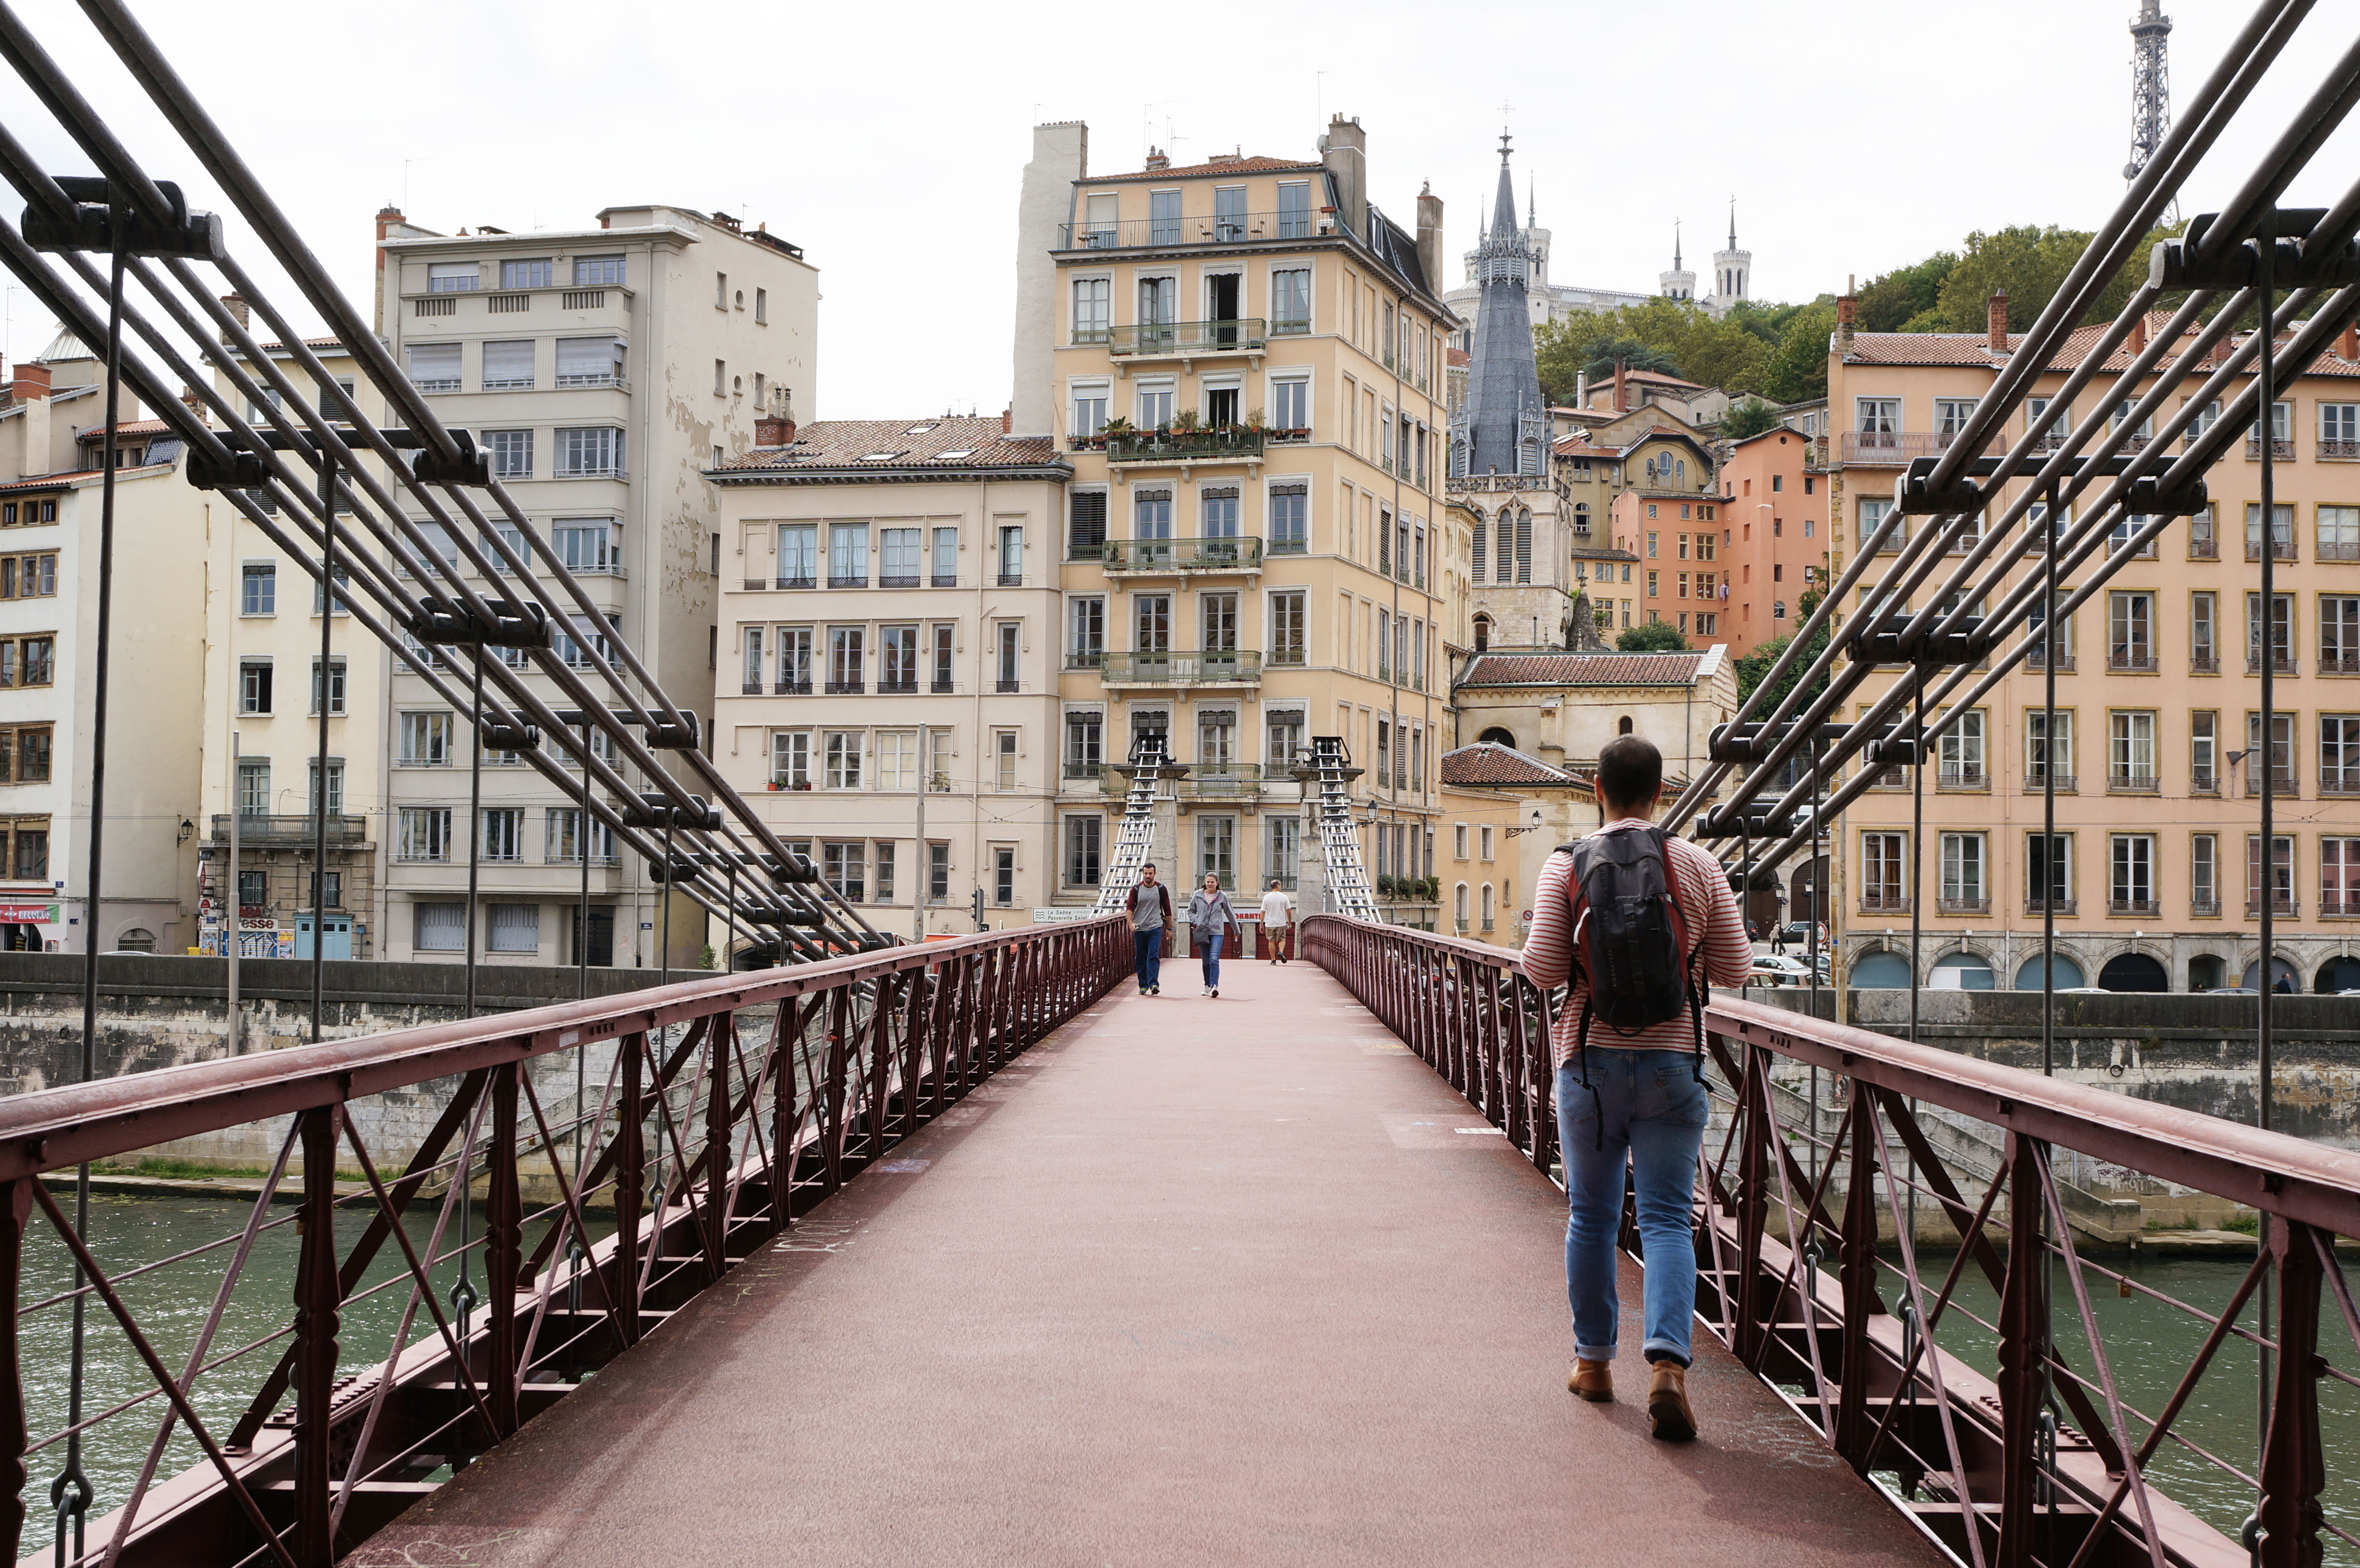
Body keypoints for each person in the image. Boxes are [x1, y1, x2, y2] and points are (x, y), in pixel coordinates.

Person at [1522, 734, 1752, 1442]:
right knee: (1664, 1218)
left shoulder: (1566, 864)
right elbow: (1738, 969)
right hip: (1670, 1064)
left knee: (1591, 1218)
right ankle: (1668, 1371)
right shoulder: (1698, 863)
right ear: (1661, 794)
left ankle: (1593, 1365)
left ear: (1597, 787)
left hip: (1588, 1064)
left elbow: (1542, 969)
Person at [1187, 873, 1242, 997]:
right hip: (1202, 932)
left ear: (1217, 883)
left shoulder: (1222, 896)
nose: (1210, 884)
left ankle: (1214, 986)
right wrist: (1197, 921)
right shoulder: (1198, 895)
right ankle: (1207, 985)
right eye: (1208, 882)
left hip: (1217, 932)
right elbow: (1190, 911)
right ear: (1205, 883)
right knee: (1206, 961)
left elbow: (1230, 914)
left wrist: (1236, 930)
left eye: (1213, 882)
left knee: (1214, 959)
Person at [1127, 863, 1172, 995]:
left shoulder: (1161, 889)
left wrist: (1169, 928)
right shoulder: (1136, 889)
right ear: (1143, 874)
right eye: (1146, 873)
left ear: (1155, 874)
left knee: (1153, 955)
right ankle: (1143, 985)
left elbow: (1167, 909)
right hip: (1139, 928)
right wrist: (1130, 923)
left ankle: (1153, 984)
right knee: (1141, 957)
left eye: (1150, 873)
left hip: (1155, 927)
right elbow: (1129, 908)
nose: (1148, 876)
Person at [1260, 878, 1293, 964]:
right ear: (1278, 886)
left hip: (1270, 923)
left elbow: (1263, 912)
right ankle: (1281, 952)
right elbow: (1289, 911)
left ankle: (1273, 960)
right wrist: (1289, 922)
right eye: (1280, 885)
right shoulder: (1284, 897)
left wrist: (1261, 924)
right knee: (1282, 939)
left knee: (1271, 941)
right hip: (1281, 923)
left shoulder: (1266, 898)